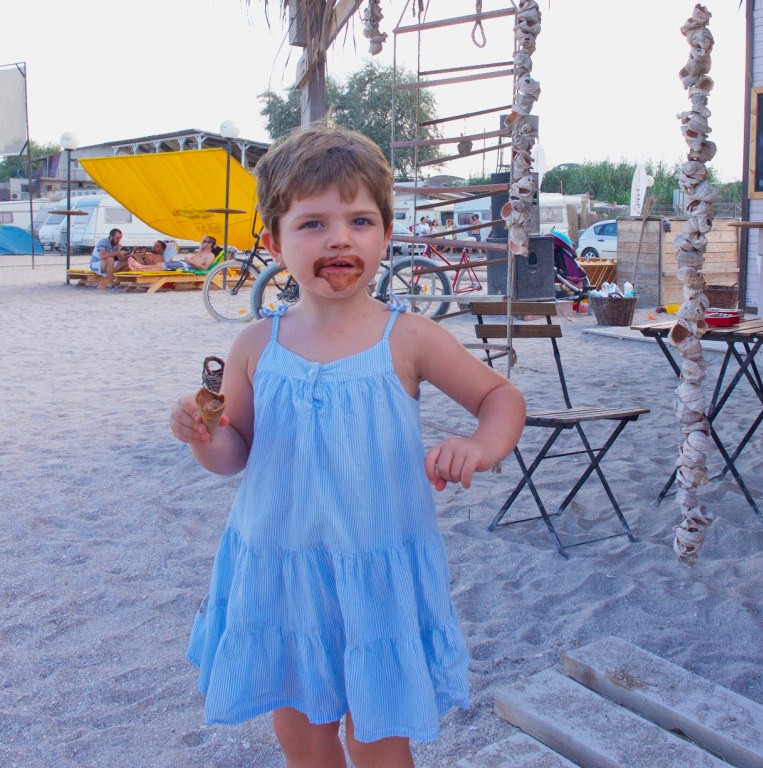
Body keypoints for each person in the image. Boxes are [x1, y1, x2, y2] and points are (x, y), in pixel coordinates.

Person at [170, 126, 525, 768]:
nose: (339, 238)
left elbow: (500, 397)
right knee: (302, 734)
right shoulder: (255, 344)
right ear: (273, 242)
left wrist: (479, 446)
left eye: (359, 220)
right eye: (313, 223)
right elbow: (234, 453)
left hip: (377, 565)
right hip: (281, 566)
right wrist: (204, 434)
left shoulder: (409, 337)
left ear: (385, 235)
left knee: (377, 736)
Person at [132, 235, 219, 272]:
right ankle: (140, 267)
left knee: (163, 267)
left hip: (188, 266)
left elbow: (205, 268)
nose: (202, 242)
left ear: (210, 244)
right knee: (160, 264)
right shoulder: (201, 251)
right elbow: (203, 237)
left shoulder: (210, 255)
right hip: (184, 262)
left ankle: (140, 267)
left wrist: (191, 261)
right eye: (203, 241)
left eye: (205, 241)